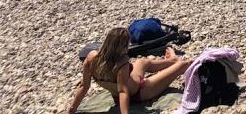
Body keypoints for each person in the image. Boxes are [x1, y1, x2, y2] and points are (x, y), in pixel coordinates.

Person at [65, 27, 193, 114]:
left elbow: (84, 86)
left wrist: (72, 110)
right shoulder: (121, 63)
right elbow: (123, 92)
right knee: (183, 65)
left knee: (142, 61)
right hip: (141, 92)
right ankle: (178, 62)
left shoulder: (91, 58)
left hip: (126, 88)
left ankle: (171, 61)